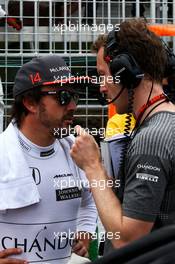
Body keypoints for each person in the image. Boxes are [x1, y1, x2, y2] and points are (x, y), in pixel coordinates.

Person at [70, 18, 175, 254]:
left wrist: (92, 166)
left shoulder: (153, 139)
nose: (102, 87)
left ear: (125, 72)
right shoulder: (165, 123)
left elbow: (127, 240)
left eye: (103, 74)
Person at [0, 55, 97, 264]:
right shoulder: (3, 153)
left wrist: (85, 230)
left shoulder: (76, 149)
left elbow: (89, 201)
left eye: (74, 96)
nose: (72, 106)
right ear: (30, 103)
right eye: (63, 96)